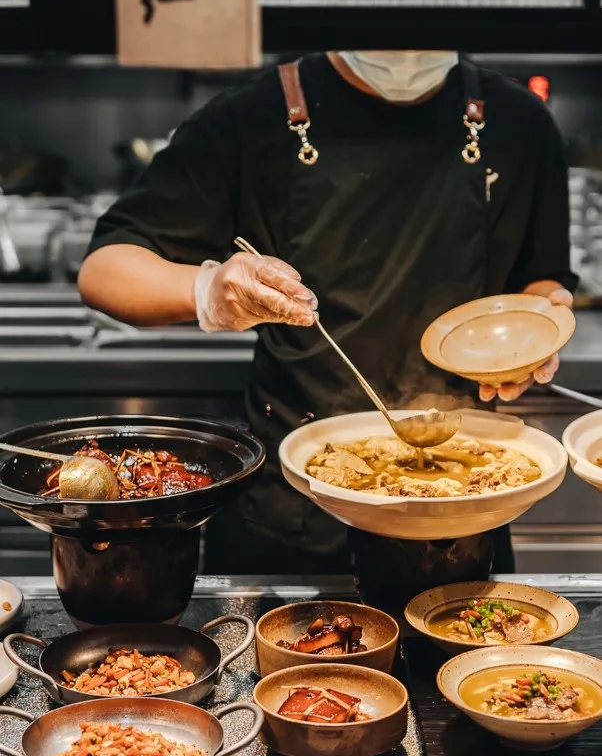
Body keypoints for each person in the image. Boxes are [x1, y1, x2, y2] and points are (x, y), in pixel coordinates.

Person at [79, 50, 575, 596]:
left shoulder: (519, 120)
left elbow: (543, 278)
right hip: (293, 502)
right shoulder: (250, 116)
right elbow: (106, 270)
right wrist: (207, 290)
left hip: (469, 494)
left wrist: (538, 329)